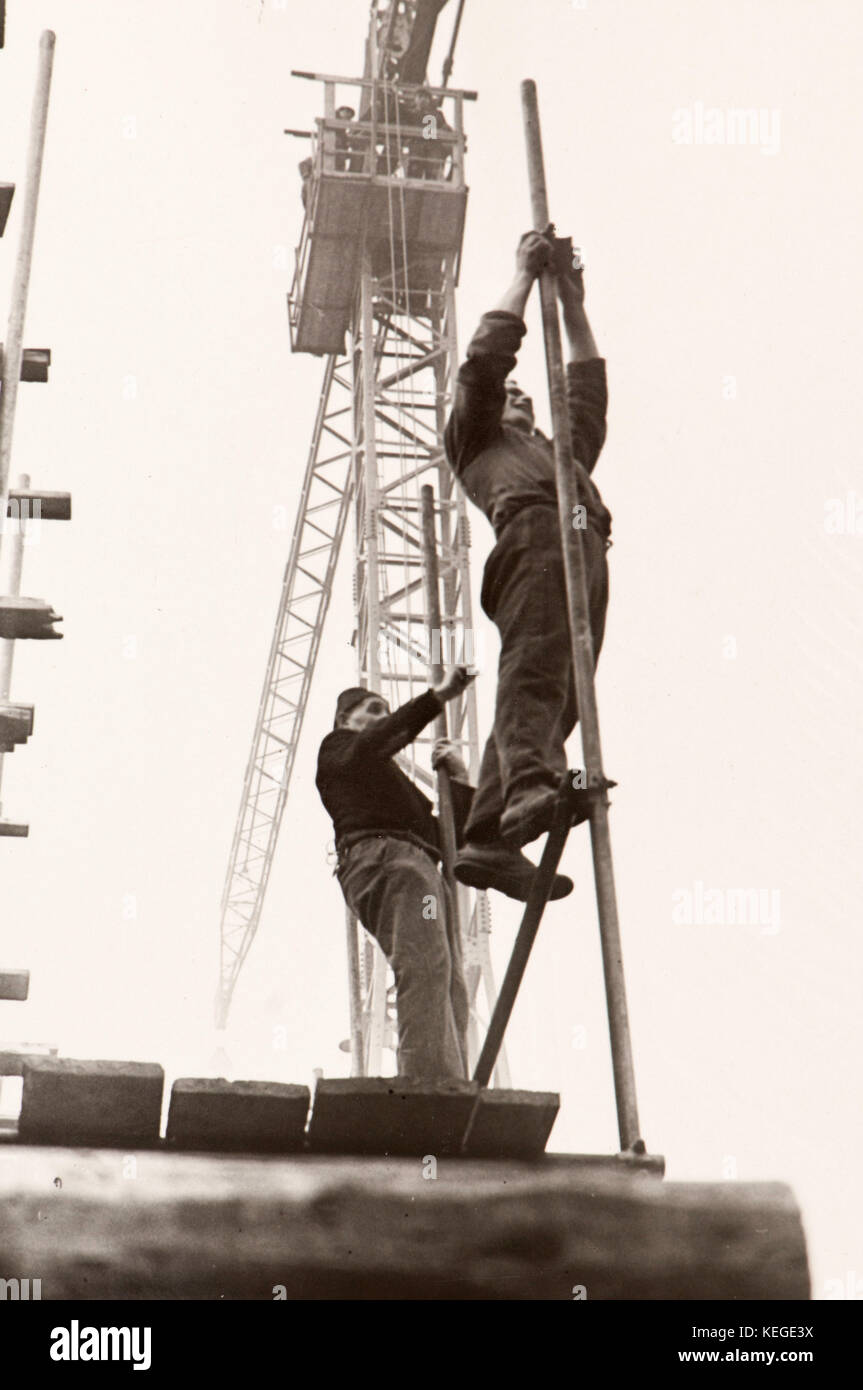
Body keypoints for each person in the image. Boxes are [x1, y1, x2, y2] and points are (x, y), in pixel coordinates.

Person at [443, 230, 612, 887]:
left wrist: (571, 305)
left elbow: (587, 393)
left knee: (562, 693)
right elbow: (484, 363)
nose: (522, 399)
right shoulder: (476, 441)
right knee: (537, 664)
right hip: (537, 536)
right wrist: (520, 276)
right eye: (513, 397)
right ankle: (525, 787)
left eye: (528, 401)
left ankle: (488, 834)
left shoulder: (558, 455)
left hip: (582, 539)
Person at [316, 668, 571, 1079]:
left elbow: (451, 838)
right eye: (373, 710)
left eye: (386, 708)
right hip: (384, 860)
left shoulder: (396, 788)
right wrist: (438, 697)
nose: (384, 716)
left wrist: (458, 776)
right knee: (423, 963)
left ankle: (446, 1079)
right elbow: (378, 740)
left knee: (448, 976)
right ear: (345, 719)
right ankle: (428, 1083)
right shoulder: (340, 750)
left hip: (420, 869)